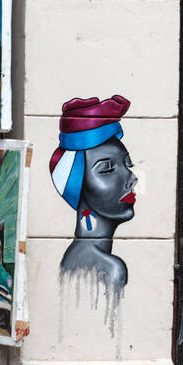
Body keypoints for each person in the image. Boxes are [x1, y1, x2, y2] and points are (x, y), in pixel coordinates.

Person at [49, 94, 136, 291]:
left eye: (128, 165)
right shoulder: (110, 269)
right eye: (107, 169)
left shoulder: (75, 256)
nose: (132, 178)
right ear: (77, 184)